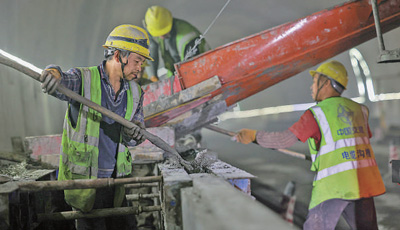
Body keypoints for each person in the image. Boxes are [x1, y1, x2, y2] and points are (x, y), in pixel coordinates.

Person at [234, 60, 386, 230]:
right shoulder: (361, 110)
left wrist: (253, 135)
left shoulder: (317, 113)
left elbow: (283, 140)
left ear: (326, 83)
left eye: (315, 82)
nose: (311, 87)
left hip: (334, 187)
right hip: (363, 184)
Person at [39, 24, 153, 230]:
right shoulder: (83, 79)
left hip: (116, 184)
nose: (139, 68)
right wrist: (53, 71)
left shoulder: (136, 92)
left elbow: (135, 136)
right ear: (119, 55)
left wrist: (134, 132)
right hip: (84, 185)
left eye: (142, 63)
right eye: (137, 61)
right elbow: (61, 81)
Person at [143, 5, 211, 82]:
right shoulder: (154, 28)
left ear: (170, 22)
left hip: (203, 72)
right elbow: (151, 49)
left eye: (164, 33)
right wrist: (153, 76)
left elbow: (192, 71)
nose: (161, 37)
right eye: (158, 34)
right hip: (175, 75)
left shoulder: (187, 37)